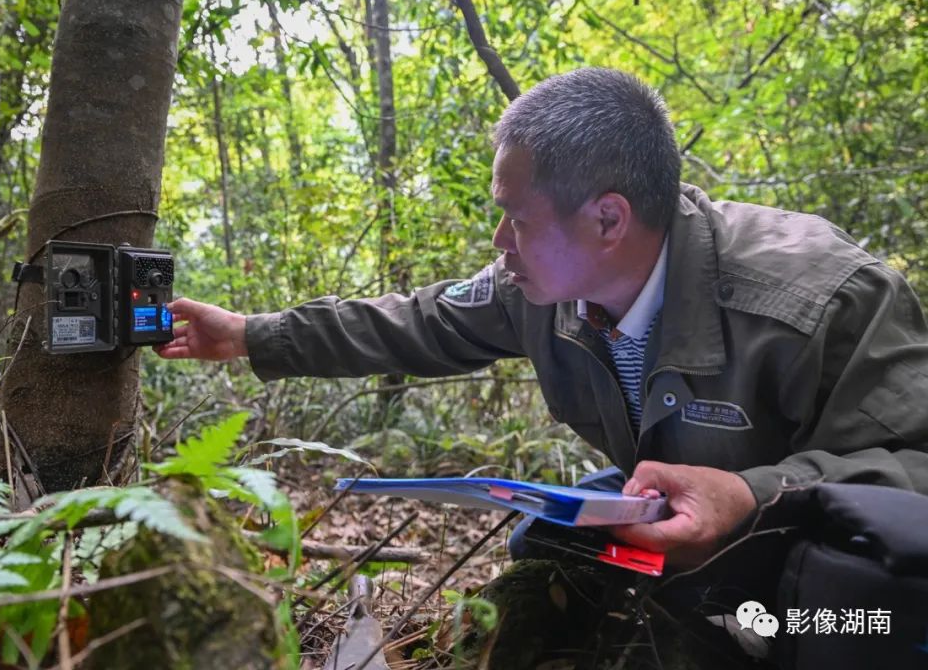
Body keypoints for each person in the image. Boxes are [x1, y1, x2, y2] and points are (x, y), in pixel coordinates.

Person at [156, 67, 928, 660]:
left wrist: (752, 497)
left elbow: (915, 468)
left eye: (516, 219)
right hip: (676, 528)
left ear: (608, 218)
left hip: (803, 555)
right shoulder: (537, 290)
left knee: (854, 587)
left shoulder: (818, 299)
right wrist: (249, 335)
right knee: (546, 546)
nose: (500, 242)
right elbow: (415, 322)